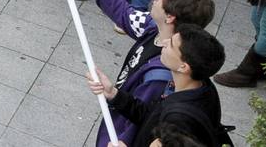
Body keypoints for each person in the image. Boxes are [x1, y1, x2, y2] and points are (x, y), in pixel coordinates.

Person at [73, 0, 215, 147]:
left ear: (170, 17)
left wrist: (120, 139)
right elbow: (122, 12)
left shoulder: (163, 75)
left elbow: (143, 120)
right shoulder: (153, 27)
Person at [88, 25, 229, 147]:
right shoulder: (204, 87)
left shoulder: (179, 121)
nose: (165, 42)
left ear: (183, 67)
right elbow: (152, 117)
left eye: (172, 44)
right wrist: (114, 94)